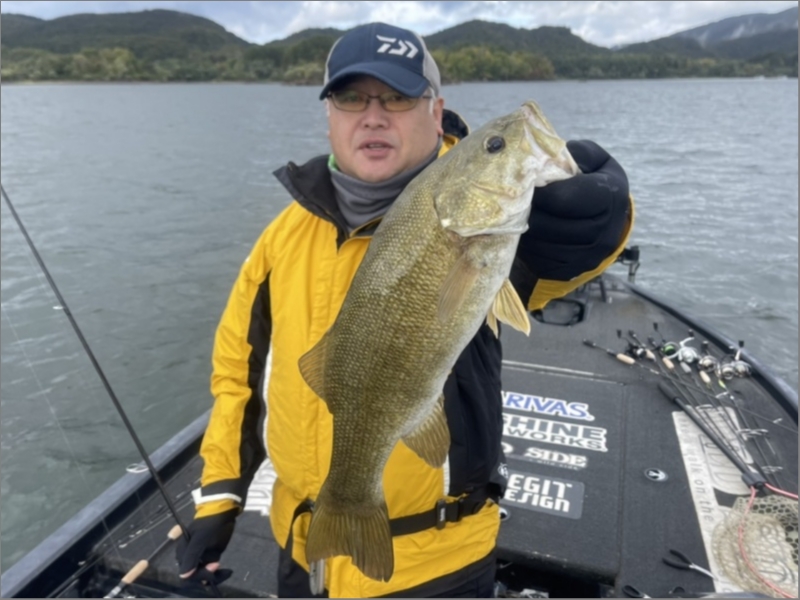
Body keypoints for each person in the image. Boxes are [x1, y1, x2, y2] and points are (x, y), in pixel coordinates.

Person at [176, 22, 633, 598]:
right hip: (302, 545)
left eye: (396, 97)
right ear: (329, 116)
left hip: (436, 562)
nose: (373, 116)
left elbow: (560, 264)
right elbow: (238, 376)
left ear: (436, 114)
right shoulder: (280, 239)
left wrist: (603, 223)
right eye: (351, 98)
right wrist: (220, 495)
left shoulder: (500, 225)